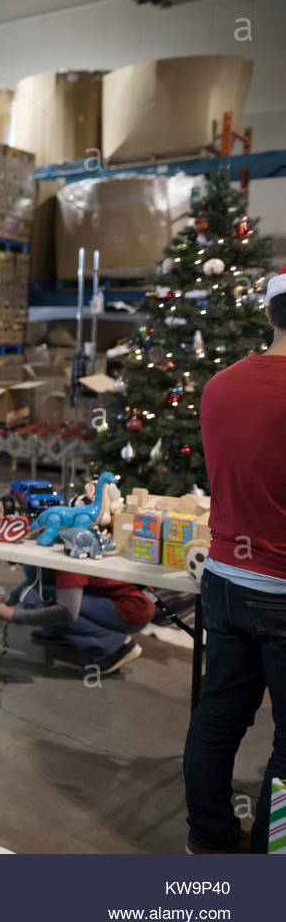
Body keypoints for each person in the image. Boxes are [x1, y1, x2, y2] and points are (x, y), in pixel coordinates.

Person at [182, 265, 286, 854]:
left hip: (223, 578)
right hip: (279, 586)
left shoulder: (220, 385)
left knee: (220, 715)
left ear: (270, 314)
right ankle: (276, 851)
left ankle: (210, 838)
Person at [0, 566, 149, 674]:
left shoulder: (69, 555)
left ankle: (114, 647)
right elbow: (38, 578)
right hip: (126, 603)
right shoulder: (59, 542)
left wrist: (14, 616)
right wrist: (8, 599)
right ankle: (62, 632)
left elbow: (66, 612)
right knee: (37, 590)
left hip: (130, 610)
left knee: (34, 597)